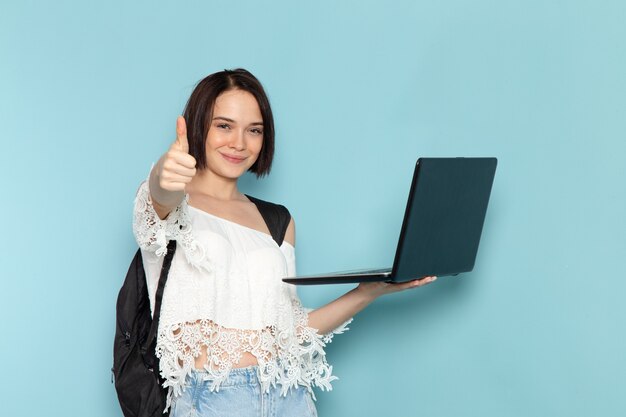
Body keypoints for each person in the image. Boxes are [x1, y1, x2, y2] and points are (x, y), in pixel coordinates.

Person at [132, 68, 436, 417]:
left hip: (289, 395)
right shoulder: (170, 207)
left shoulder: (277, 220)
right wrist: (165, 173)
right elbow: (161, 193)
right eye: (224, 126)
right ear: (199, 125)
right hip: (213, 400)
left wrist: (368, 291)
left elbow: (290, 331)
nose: (239, 143)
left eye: (254, 130)